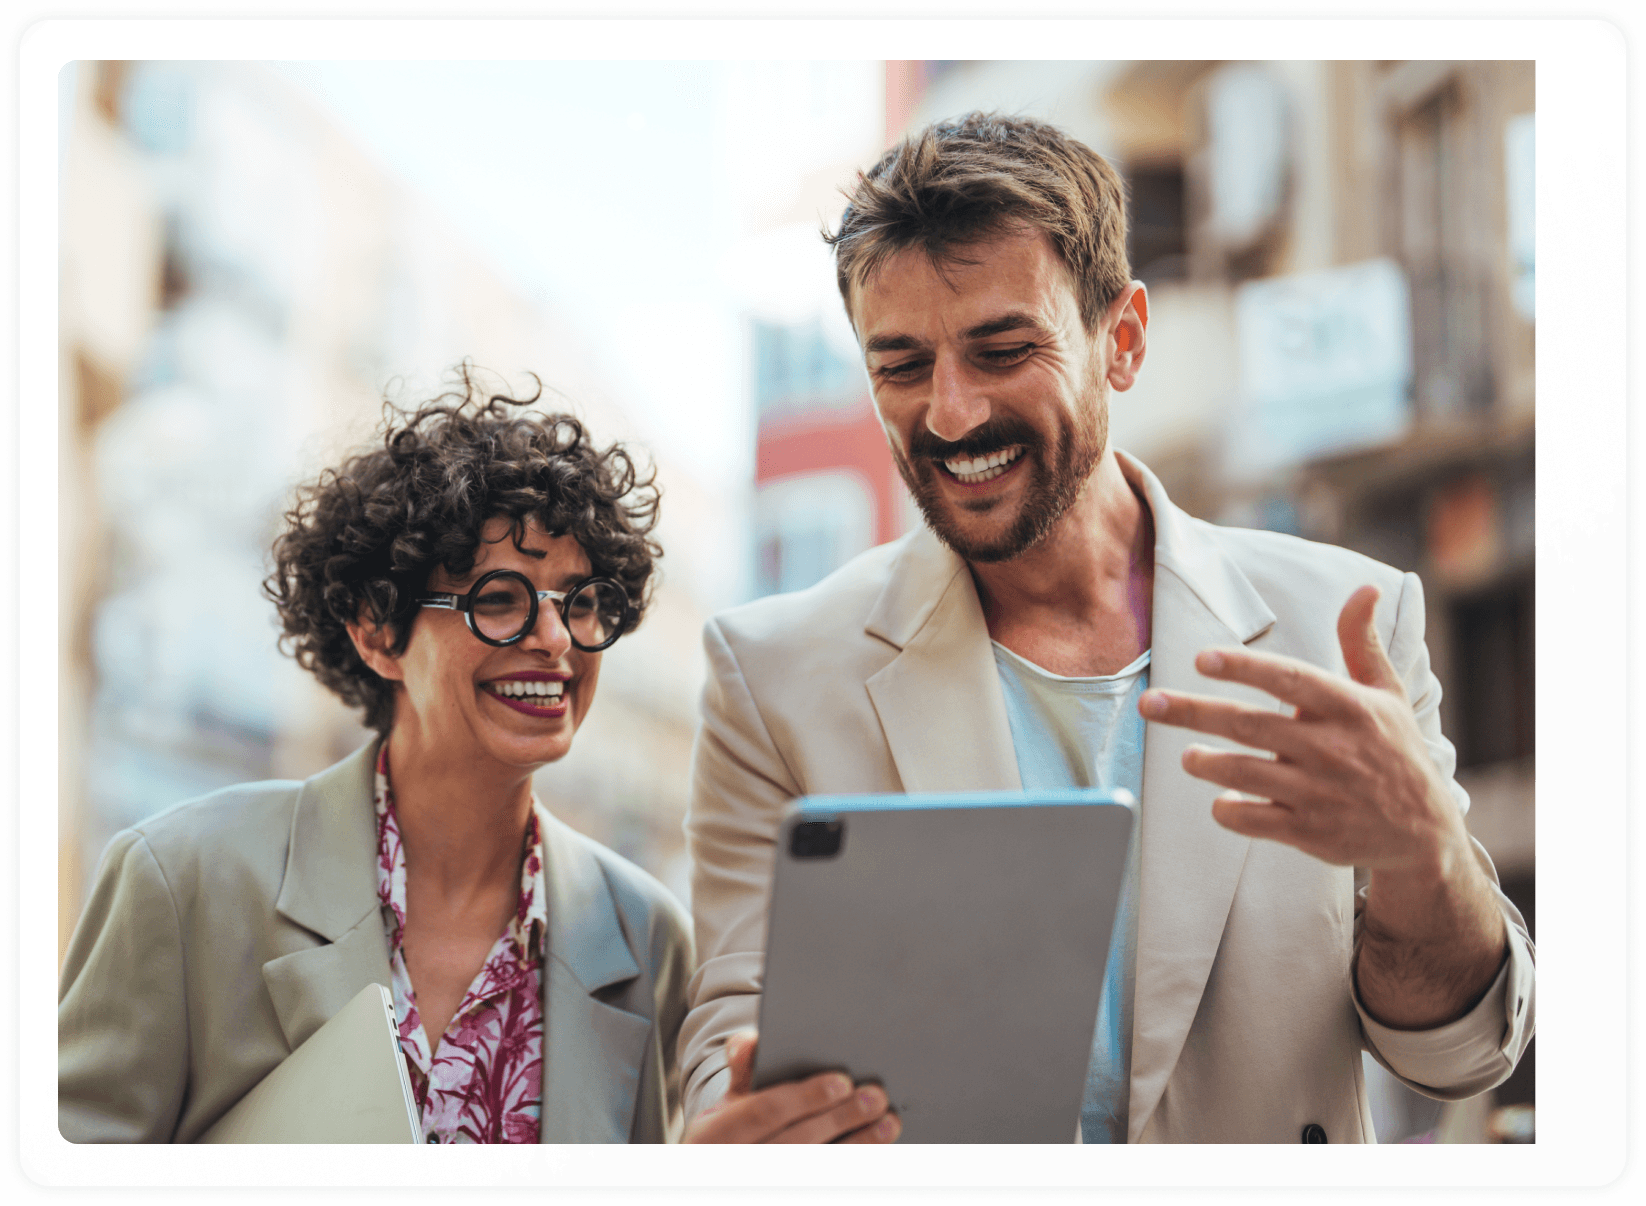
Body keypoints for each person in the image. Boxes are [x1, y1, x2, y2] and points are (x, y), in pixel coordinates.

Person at [679, 114, 1535, 1144]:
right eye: (899, 366)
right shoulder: (768, 676)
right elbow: (722, 1053)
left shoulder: (1341, 623)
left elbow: (1455, 1056)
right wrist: (748, 1129)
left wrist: (1422, 857)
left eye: (1001, 349)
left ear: (1119, 339)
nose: (949, 414)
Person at [60, 372, 697, 1143]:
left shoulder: (646, 938)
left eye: (583, 600)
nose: (557, 641)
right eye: (499, 599)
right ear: (377, 632)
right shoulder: (184, 878)